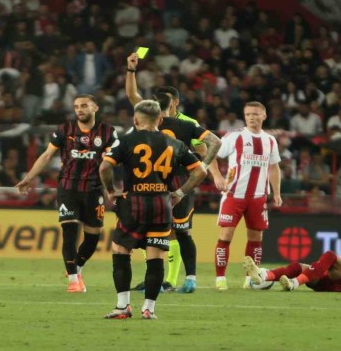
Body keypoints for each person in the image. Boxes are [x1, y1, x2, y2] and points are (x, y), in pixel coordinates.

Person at [99, 100, 207, 320]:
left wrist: (110, 191)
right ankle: (149, 309)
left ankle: (123, 306)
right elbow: (200, 172)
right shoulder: (175, 144)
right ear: (160, 119)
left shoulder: (126, 140)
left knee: (121, 251)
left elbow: (105, 166)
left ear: (135, 120)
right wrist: (180, 193)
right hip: (161, 205)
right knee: (155, 256)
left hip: (133, 204)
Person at [126, 52, 222, 293]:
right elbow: (211, 144)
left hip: (164, 183)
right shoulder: (178, 123)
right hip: (171, 184)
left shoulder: (180, 122)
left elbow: (203, 149)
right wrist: (202, 168)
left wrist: (205, 170)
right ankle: (170, 280)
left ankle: (168, 280)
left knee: (169, 232)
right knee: (173, 232)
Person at [15, 95, 117, 293]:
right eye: (76, 106)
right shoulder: (65, 129)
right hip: (68, 187)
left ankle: (77, 268)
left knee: (92, 239)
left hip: (94, 189)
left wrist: (111, 185)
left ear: (95, 107)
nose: (80, 109)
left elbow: (113, 160)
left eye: (84, 105)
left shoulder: (108, 132)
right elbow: (47, 155)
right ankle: (73, 280)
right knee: (69, 232)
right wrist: (29, 177)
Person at [209, 101, 283, 291]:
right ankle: (220, 278)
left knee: (256, 238)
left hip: (258, 197)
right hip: (234, 195)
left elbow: (274, 167)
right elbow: (211, 152)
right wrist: (217, 176)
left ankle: (250, 279)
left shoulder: (270, 140)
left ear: (264, 116)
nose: (251, 117)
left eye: (255, 114)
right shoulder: (235, 136)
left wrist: (277, 192)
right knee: (226, 236)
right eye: (248, 114)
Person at [243, 251, 341, 293]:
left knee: (330, 256)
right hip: (330, 285)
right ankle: (263, 276)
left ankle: (294, 283)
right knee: (299, 267)